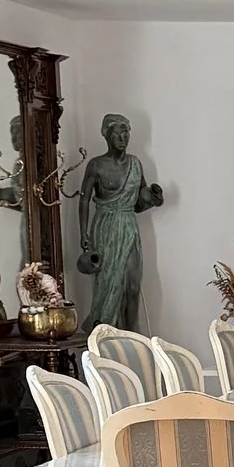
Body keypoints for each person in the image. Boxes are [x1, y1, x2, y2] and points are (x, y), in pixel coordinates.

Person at [76, 113, 162, 336]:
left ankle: (133, 336)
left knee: (132, 287)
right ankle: (105, 335)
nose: (123, 138)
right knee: (107, 286)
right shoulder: (96, 165)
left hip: (129, 226)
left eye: (126, 133)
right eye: (117, 134)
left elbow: (137, 203)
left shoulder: (135, 163)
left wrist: (152, 197)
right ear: (107, 136)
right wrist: (83, 233)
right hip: (105, 227)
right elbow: (84, 199)